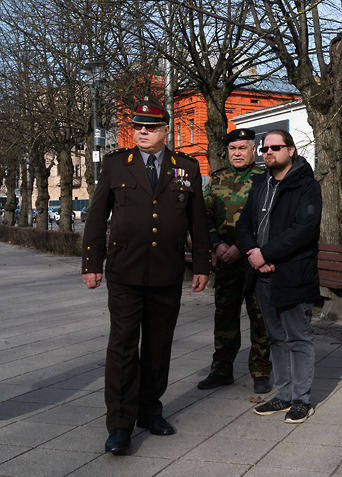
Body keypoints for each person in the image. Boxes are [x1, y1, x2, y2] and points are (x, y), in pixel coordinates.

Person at [81, 95, 210, 455]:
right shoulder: (116, 165)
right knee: (122, 348)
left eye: (150, 128)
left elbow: (197, 220)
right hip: (125, 271)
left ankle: (150, 411)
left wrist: (201, 265)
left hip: (167, 272)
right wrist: (92, 264)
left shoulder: (185, 167)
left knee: (158, 346)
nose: (142, 133)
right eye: (138, 127)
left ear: (165, 131)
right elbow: (95, 217)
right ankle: (119, 425)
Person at [236, 129, 322, 424]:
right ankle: (284, 395)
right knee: (275, 337)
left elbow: (304, 230)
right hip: (262, 274)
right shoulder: (261, 184)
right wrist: (253, 254)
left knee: (298, 337)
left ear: (291, 150)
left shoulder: (306, 186)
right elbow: (244, 224)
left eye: (275, 147)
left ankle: (301, 400)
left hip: (293, 274)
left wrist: (266, 254)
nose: (268, 152)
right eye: (264, 149)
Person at [197, 128, 272, 394]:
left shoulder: (265, 178)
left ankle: (261, 370)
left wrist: (241, 247)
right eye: (232, 149)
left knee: (259, 317)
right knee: (224, 315)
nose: (237, 153)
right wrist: (217, 245)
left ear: (254, 150)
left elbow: (268, 219)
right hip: (225, 260)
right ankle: (221, 369)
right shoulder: (217, 180)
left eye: (242, 148)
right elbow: (202, 216)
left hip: (255, 260)